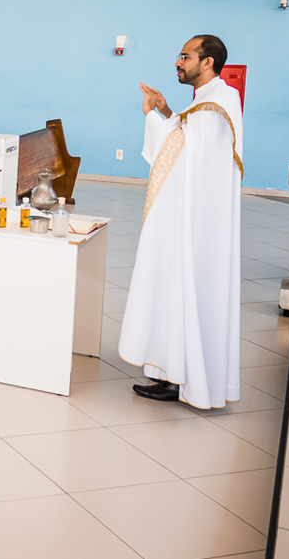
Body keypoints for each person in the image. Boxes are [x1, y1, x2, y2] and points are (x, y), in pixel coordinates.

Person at [119, 35, 243, 409]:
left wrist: (151, 116)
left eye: (186, 56)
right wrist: (166, 109)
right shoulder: (212, 100)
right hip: (194, 213)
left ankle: (182, 375)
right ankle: (174, 370)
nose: (178, 61)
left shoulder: (216, 103)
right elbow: (190, 138)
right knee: (176, 286)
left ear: (207, 63)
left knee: (184, 284)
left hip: (195, 220)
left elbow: (183, 150)